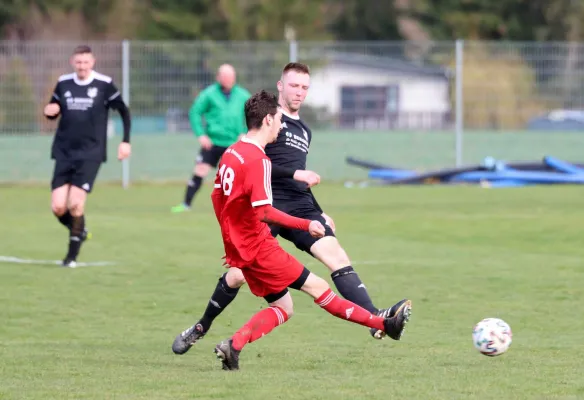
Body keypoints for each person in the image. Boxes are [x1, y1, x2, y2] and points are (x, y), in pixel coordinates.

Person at [171, 63, 412, 357]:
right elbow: (254, 162)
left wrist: (319, 211)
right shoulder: (266, 119)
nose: (299, 92)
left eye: (304, 87)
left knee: (336, 255)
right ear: (281, 86)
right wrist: (294, 176)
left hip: (298, 206)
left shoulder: (304, 130)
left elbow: (300, 172)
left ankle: (376, 319)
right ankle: (201, 326)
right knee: (237, 275)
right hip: (267, 205)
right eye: (294, 85)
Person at [44, 45, 131, 267]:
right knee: (58, 208)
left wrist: (125, 141)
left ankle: (70, 258)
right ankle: (80, 230)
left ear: (92, 62)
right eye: (78, 62)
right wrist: (49, 111)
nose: (82, 66)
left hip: (91, 152)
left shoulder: (103, 84)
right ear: (73, 62)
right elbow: (54, 108)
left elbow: (124, 111)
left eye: (86, 62)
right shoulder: (64, 82)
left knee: (75, 204)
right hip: (64, 151)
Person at [171, 64, 251, 213]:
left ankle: (243, 208)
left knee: (240, 175)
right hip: (213, 142)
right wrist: (201, 134)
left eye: (231, 76)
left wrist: (246, 133)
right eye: (226, 76)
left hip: (234, 143)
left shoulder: (243, 95)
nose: (229, 79)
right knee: (200, 170)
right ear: (218, 77)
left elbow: (254, 114)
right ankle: (186, 204)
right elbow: (195, 112)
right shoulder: (209, 94)